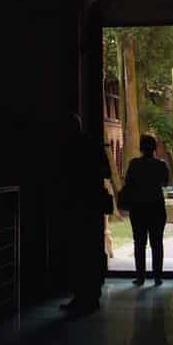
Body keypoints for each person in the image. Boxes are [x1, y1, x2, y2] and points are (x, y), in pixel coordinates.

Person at [59, 114, 111, 320]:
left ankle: (83, 296)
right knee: (91, 249)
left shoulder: (68, 149)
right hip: (92, 204)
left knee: (80, 252)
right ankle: (91, 294)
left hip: (78, 205)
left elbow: (62, 177)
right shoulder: (93, 146)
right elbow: (106, 172)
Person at [122, 135, 170, 287]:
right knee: (157, 243)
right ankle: (157, 276)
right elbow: (165, 182)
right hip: (156, 207)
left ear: (141, 148)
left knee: (139, 243)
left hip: (139, 208)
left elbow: (128, 183)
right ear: (154, 148)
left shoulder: (134, 164)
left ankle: (140, 276)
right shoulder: (160, 165)